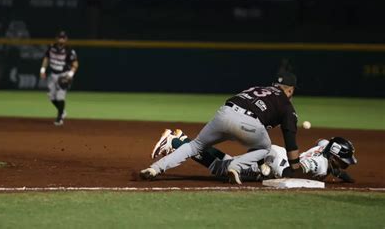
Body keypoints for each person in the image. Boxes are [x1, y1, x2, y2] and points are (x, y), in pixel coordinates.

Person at [140, 71, 301, 184]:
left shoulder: (258, 88)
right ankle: (235, 167)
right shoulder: (286, 105)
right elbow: (290, 141)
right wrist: (295, 169)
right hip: (250, 123)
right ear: (290, 90)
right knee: (265, 147)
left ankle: (155, 169)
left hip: (225, 113)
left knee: (194, 146)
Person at [150, 129, 357, 183]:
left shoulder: (325, 147)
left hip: (275, 152)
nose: (345, 165)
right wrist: (268, 172)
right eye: (343, 161)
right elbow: (290, 171)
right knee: (222, 169)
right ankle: (175, 142)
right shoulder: (320, 165)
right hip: (275, 162)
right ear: (334, 155)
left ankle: (181, 140)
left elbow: (323, 144)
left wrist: (342, 174)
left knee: (227, 162)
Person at [39, 31, 79, 126]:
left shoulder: (69, 51)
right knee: (51, 96)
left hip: (63, 75)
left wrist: (69, 75)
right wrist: (42, 70)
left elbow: (75, 64)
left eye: (63, 38)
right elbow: (46, 58)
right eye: (60, 37)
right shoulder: (51, 47)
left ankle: (59, 118)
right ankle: (62, 111)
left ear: (66, 39)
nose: (61, 39)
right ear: (56, 38)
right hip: (53, 75)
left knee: (60, 97)